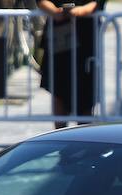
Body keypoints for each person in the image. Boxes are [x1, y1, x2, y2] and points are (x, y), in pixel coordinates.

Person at [38, 0, 105, 129]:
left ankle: (85, 138)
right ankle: (60, 136)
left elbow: (96, 4)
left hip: (85, 41)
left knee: (86, 92)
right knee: (57, 89)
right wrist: (55, 11)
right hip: (58, 39)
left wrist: (80, 11)